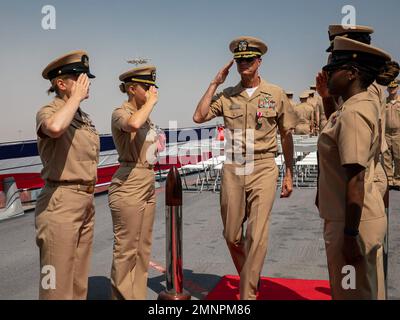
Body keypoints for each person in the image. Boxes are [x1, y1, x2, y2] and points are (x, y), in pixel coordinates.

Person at [193, 36, 297, 300]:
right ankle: (251, 276)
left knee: (257, 233)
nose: (243, 64)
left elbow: (286, 135)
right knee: (232, 235)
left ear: (259, 62)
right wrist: (215, 83)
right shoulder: (227, 96)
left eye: (248, 60)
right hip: (234, 166)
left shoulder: (275, 94)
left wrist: (289, 173)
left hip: (264, 165)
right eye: (239, 60)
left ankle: (248, 294)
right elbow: (199, 116)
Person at [317, 36, 398, 300]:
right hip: (361, 215)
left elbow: (356, 177)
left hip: (351, 220)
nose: (327, 72)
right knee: (369, 290)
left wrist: (350, 236)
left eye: (333, 68)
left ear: (351, 73)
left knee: (351, 293)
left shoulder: (353, 113)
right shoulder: (361, 104)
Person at [35, 50, 99, 299]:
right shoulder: (49, 111)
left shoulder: (82, 118)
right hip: (60, 201)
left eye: (87, 78)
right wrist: (75, 99)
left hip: (85, 201)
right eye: (79, 77)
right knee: (57, 287)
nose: (86, 83)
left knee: (77, 283)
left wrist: (76, 101)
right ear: (61, 83)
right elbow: (54, 128)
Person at [316, 24, 398, 198]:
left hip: (363, 172)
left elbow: (356, 129)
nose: (332, 58)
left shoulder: (364, 87)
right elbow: (337, 122)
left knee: (363, 222)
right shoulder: (347, 84)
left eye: (338, 52)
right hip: (349, 168)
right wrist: (326, 97)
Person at [108, 65, 159, 299]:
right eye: (146, 86)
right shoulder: (121, 112)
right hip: (128, 182)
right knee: (126, 249)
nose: (151, 90)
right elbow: (133, 124)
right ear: (131, 88)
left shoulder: (145, 114)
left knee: (142, 249)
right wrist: (150, 103)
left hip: (147, 180)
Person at [384, 80, 400, 190]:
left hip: (398, 134)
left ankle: (398, 180)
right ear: (387, 89)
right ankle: (389, 180)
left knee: (399, 157)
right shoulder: (384, 102)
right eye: (390, 88)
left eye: (394, 88)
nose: (392, 90)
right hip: (386, 133)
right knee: (386, 157)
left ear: (398, 88)